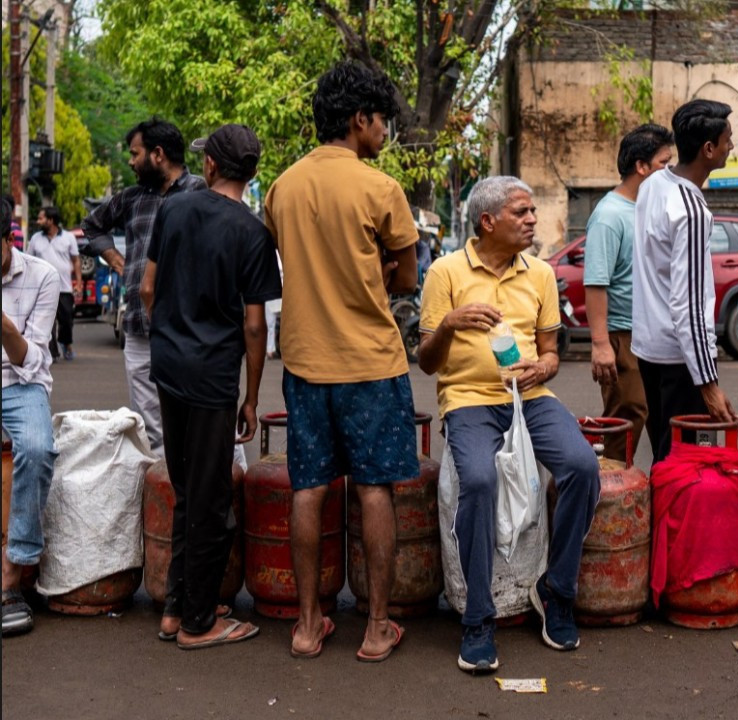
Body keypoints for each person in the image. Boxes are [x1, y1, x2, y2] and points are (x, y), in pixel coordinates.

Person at [263, 60, 418, 663]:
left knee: (309, 489)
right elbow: (404, 277)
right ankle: (376, 627)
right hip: (371, 363)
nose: (384, 133)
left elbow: (291, 259)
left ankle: (307, 625)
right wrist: (375, 267)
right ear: (360, 119)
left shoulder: (283, 186)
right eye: (381, 121)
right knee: (374, 489)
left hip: (305, 360)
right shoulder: (380, 188)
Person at [418, 175, 600, 674]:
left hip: (531, 396)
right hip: (469, 400)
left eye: (531, 212)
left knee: (582, 467)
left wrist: (543, 367)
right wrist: (451, 323)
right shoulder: (445, 272)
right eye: (521, 212)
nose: (532, 220)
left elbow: (550, 353)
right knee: (478, 480)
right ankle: (479, 618)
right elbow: (427, 361)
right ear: (488, 221)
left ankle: (557, 591)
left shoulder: (540, 273)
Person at [141, 124, 281, 650]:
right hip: (214, 378)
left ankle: (178, 609)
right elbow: (253, 326)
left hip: (170, 369)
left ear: (211, 166)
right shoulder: (252, 233)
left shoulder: (173, 210)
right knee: (212, 499)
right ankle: (199, 621)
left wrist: (170, 332)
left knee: (187, 491)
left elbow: (148, 288)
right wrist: (251, 396)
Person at [82, 118, 207, 453]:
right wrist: (121, 264)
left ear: (158, 154)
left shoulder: (201, 193)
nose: (130, 161)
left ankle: (212, 487)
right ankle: (164, 493)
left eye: (135, 153)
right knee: (151, 423)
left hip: (188, 326)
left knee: (200, 413)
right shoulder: (132, 198)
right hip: (139, 326)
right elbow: (92, 227)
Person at [632, 99, 738, 462]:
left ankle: (660, 520)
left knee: (665, 457)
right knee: (685, 463)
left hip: (649, 350)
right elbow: (689, 304)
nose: (732, 147)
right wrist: (708, 384)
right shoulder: (691, 210)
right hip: (680, 360)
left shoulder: (653, 184)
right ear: (709, 149)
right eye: (728, 140)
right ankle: (670, 521)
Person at [584, 123, 674, 461]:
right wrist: (600, 344)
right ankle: (613, 501)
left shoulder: (650, 207)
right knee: (626, 423)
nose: (670, 171)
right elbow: (596, 283)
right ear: (642, 166)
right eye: (664, 164)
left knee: (664, 425)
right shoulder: (609, 215)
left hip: (655, 335)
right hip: (622, 336)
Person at [1, 198, 59, 637]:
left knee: (38, 448)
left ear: (9, 239)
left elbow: (32, 361)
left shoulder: (43, 276)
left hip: (19, 382)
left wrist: (3, 325)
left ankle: (13, 577)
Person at [25, 206, 80, 362]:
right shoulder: (36, 238)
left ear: (51, 220)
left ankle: (66, 344)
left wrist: (79, 283)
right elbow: (29, 261)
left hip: (64, 287)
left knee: (67, 320)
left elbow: (76, 261)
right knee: (48, 323)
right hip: (42, 288)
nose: (38, 221)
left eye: (41, 218)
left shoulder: (68, 237)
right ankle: (52, 354)